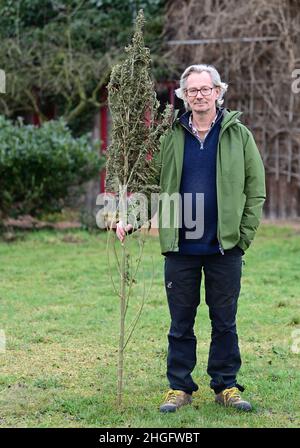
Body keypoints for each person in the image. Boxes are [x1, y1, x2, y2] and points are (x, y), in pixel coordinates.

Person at [116, 64, 266, 413]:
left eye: (205, 89)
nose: (199, 95)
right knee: (180, 322)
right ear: (184, 96)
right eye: (192, 90)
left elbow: (256, 190)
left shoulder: (238, 134)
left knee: (224, 321)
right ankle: (179, 387)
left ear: (218, 92)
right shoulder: (171, 136)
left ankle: (226, 385)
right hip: (180, 248)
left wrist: (242, 236)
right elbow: (154, 188)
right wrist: (132, 220)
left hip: (223, 247)